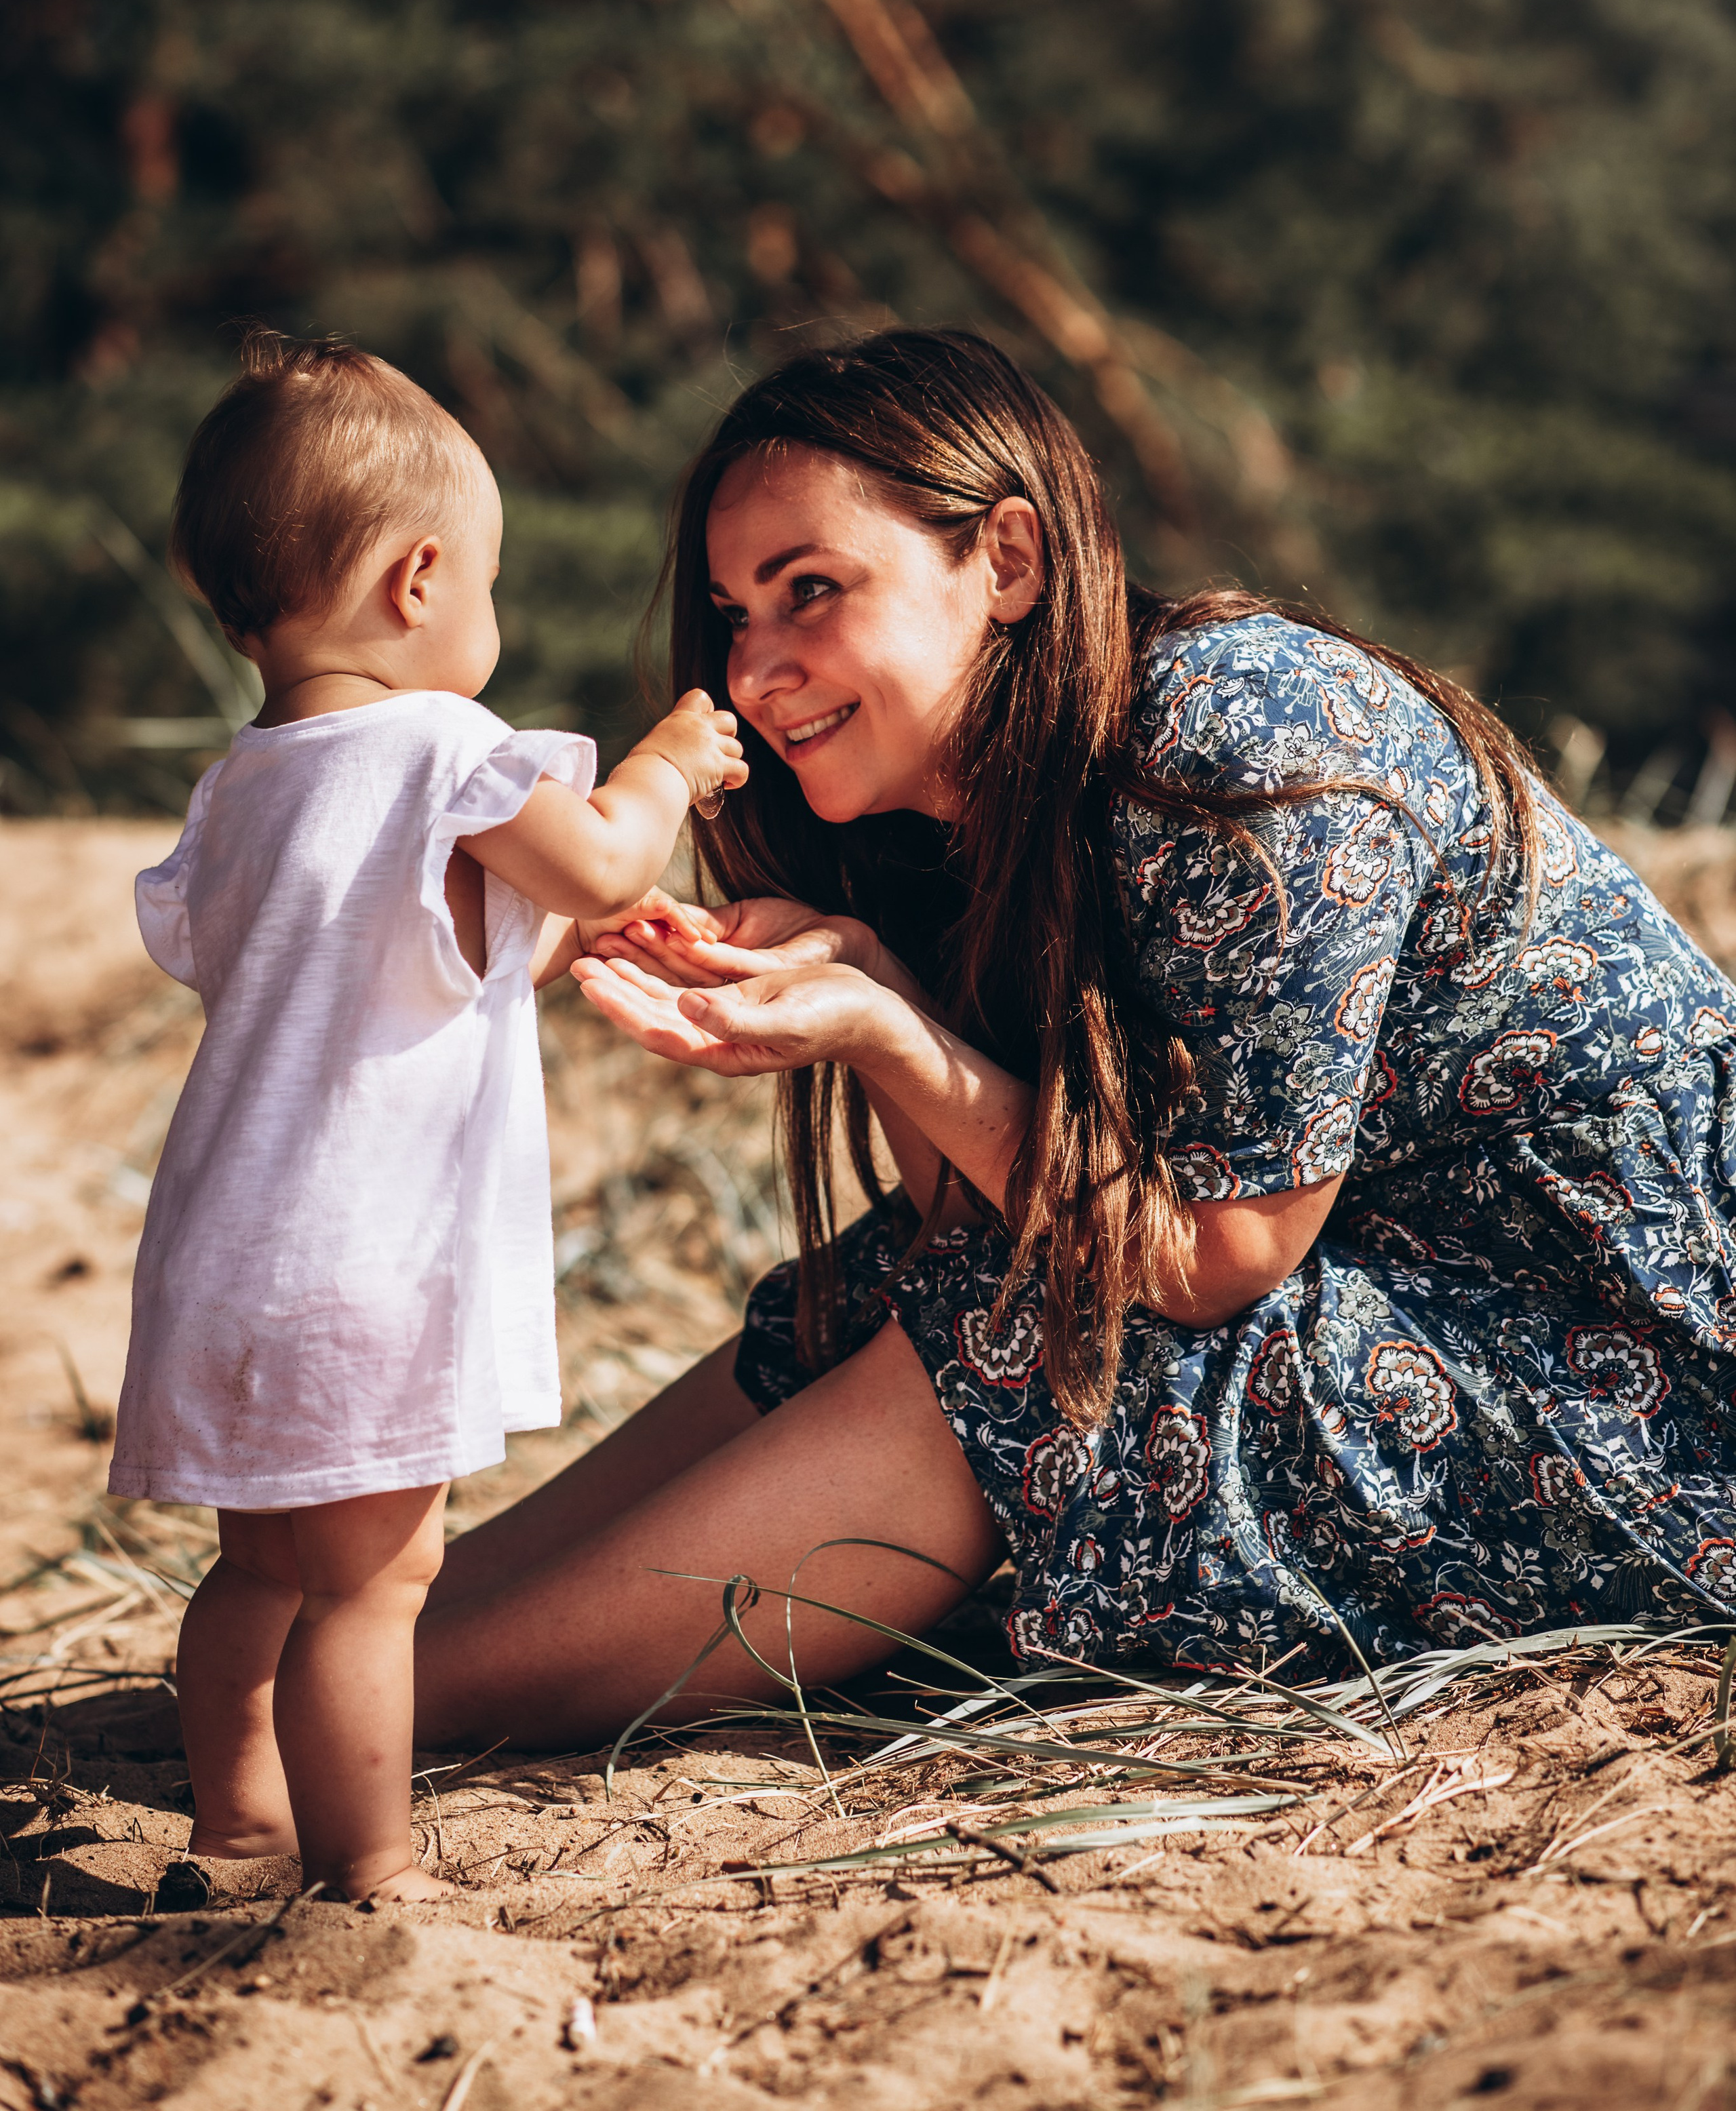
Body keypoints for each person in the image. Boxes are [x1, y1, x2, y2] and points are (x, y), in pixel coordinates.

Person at [414, 326, 1736, 1752]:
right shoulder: (964, 806)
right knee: (885, 1291)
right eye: (736, 611)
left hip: (1630, 1373)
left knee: (1028, 1340)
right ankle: (363, 1652)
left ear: (1007, 560)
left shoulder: (1239, 746)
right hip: (1410, 1295)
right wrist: (869, 987)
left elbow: (1216, 1260)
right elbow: (965, 1216)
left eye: (813, 590)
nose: (752, 670)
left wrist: (885, 1028)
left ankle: (381, 1708)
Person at [111, 332, 743, 1901]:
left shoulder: (243, 786)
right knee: (378, 1583)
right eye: (490, 584)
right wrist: (666, 765)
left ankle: (234, 1825)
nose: (490, 619)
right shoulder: (447, 744)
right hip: (357, 1267)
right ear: (416, 581)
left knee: (255, 1565)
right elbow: (596, 858)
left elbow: (397, 951)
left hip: (218, 1260)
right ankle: (368, 1867)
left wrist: (554, 926)